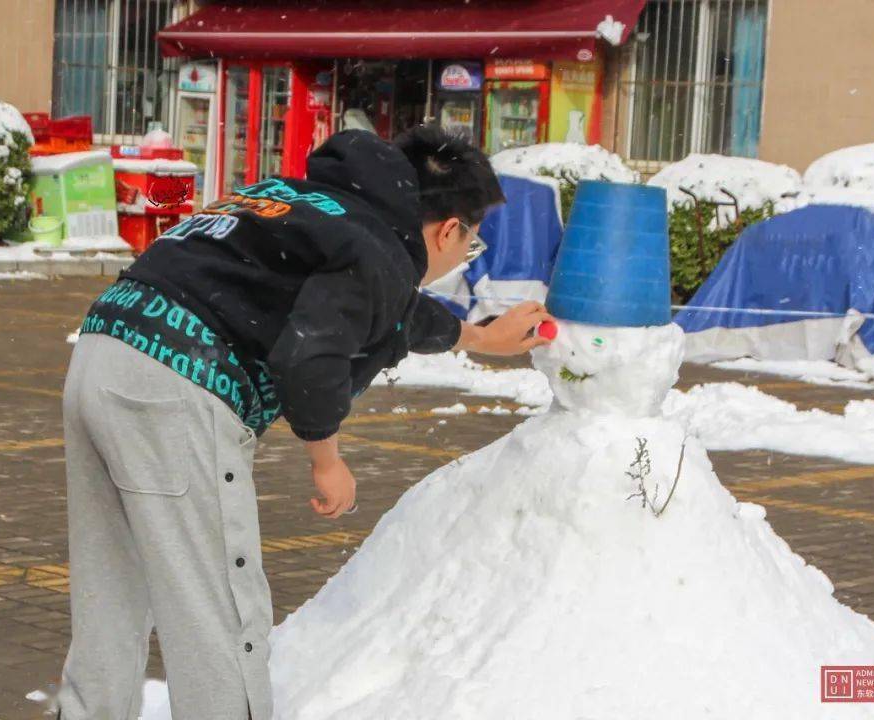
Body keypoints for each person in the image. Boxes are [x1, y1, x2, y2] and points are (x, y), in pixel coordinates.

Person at [56, 126, 553, 720]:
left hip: (103, 352)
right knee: (217, 606)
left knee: (110, 581)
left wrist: (477, 335)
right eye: (468, 248)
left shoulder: (303, 201)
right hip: (180, 385)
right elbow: (312, 352)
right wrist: (327, 461)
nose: (459, 259)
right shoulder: (377, 251)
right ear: (450, 230)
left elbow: (379, 308)